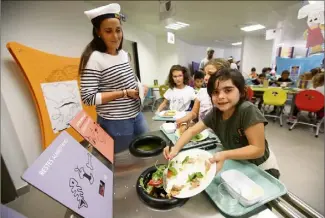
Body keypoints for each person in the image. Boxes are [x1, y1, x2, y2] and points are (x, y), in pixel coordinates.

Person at [164, 68, 280, 179]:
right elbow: (192, 131)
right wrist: (175, 149)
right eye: (215, 92)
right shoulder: (216, 112)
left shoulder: (248, 110)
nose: (221, 96)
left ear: (241, 91)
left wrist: (225, 154)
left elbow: (258, 149)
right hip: (240, 164)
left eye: (228, 90)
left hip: (261, 168)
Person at [80, 3, 148, 153]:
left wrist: (140, 88)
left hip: (137, 113)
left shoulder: (123, 54)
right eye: (108, 31)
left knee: (145, 149)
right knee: (122, 160)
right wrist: (124, 93)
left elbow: (126, 79)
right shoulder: (95, 58)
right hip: (115, 121)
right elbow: (88, 98)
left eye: (118, 30)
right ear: (98, 32)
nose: (115, 36)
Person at [176, 58, 230, 126]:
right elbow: (194, 112)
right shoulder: (202, 92)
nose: (205, 78)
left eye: (210, 74)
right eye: (205, 74)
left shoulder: (228, 97)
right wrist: (186, 119)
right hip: (202, 133)